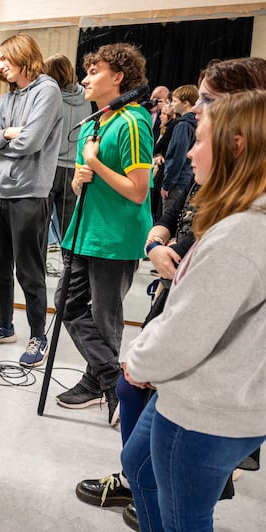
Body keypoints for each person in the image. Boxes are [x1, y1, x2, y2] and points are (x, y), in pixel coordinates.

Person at [75, 57, 266, 530]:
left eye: (198, 140)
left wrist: (137, 364)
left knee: (185, 516)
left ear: (235, 145)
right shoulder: (235, 216)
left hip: (207, 407)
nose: (187, 153)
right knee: (141, 464)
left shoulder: (242, 234)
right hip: (199, 392)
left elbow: (187, 333)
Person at [55, 43, 152, 420]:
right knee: (67, 304)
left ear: (119, 77)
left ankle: (99, 382)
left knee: (104, 315)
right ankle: (111, 378)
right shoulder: (94, 124)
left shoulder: (132, 121)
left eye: (95, 72)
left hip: (115, 236)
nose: (85, 79)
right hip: (85, 230)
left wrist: (95, 162)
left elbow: (138, 189)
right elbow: (88, 184)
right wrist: (82, 179)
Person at [0, 33, 63, 368]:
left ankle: (38, 336)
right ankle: (5, 325)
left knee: (29, 271)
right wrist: (6, 134)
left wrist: (4, 136)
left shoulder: (47, 90)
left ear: (23, 55)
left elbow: (31, 142)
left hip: (28, 195)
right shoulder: (9, 96)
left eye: (4, 59)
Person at [44, 53, 92, 243]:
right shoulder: (87, 96)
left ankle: (39, 272)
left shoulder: (49, 98)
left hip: (50, 168)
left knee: (41, 229)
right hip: (74, 168)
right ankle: (71, 271)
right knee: (69, 229)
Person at [159, 85, 198, 215]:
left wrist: (167, 184)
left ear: (186, 103)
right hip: (188, 181)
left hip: (177, 184)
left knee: (169, 219)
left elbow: (177, 156)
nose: (173, 105)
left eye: (175, 101)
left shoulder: (183, 125)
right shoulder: (197, 123)